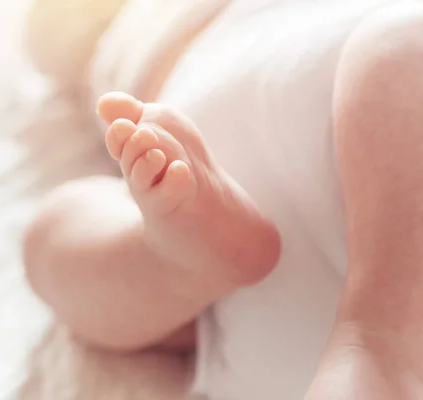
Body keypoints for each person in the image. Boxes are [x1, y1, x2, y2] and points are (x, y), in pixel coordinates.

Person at [24, 0, 423, 398]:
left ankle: (175, 264)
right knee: (404, 38)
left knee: (53, 236)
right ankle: (384, 333)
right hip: (331, 92)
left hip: (286, 337)